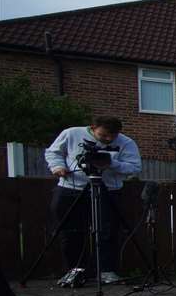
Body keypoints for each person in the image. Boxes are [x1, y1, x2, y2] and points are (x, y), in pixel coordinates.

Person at [45, 115, 142, 283]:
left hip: (108, 189)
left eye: (113, 136)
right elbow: (53, 152)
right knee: (71, 230)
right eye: (103, 135)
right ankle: (75, 271)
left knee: (108, 231)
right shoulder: (72, 134)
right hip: (72, 188)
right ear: (92, 128)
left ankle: (106, 270)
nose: (108, 139)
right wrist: (58, 166)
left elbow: (134, 167)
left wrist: (111, 163)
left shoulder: (126, 143)